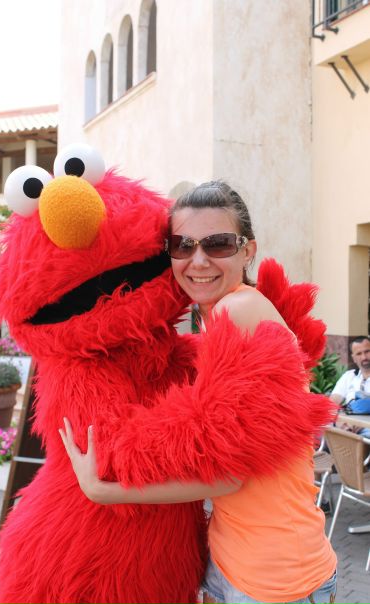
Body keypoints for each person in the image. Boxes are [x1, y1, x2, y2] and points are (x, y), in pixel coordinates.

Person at [60, 181, 337, 604]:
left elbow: (227, 476)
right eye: (183, 245)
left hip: (276, 577)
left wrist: (104, 490)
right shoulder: (219, 316)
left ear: (247, 251)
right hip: (233, 559)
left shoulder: (236, 310)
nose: (199, 260)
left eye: (218, 244)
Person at [331, 335, 370, 438]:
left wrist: (361, 424)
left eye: (367, 351)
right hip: (346, 426)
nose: (364, 357)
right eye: (359, 353)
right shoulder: (349, 376)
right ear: (353, 358)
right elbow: (332, 403)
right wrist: (341, 422)